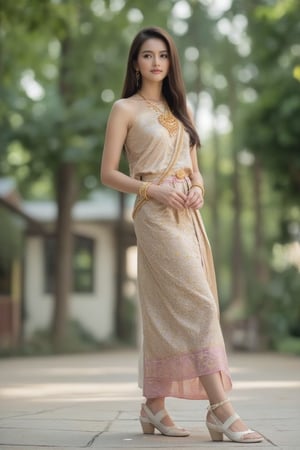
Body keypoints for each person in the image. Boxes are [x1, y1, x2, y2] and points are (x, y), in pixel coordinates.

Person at [100, 26, 263, 444]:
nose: (156, 63)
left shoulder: (179, 111)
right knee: (200, 304)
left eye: (163, 56)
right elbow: (107, 173)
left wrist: (198, 189)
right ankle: (221, 409)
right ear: (135, 63)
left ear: (171, 63)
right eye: (147, 55)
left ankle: (153, 406)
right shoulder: (124, 109)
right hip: (153, 214)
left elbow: (195, 170)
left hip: (187, 219)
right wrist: (152, 189)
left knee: (166, 309)